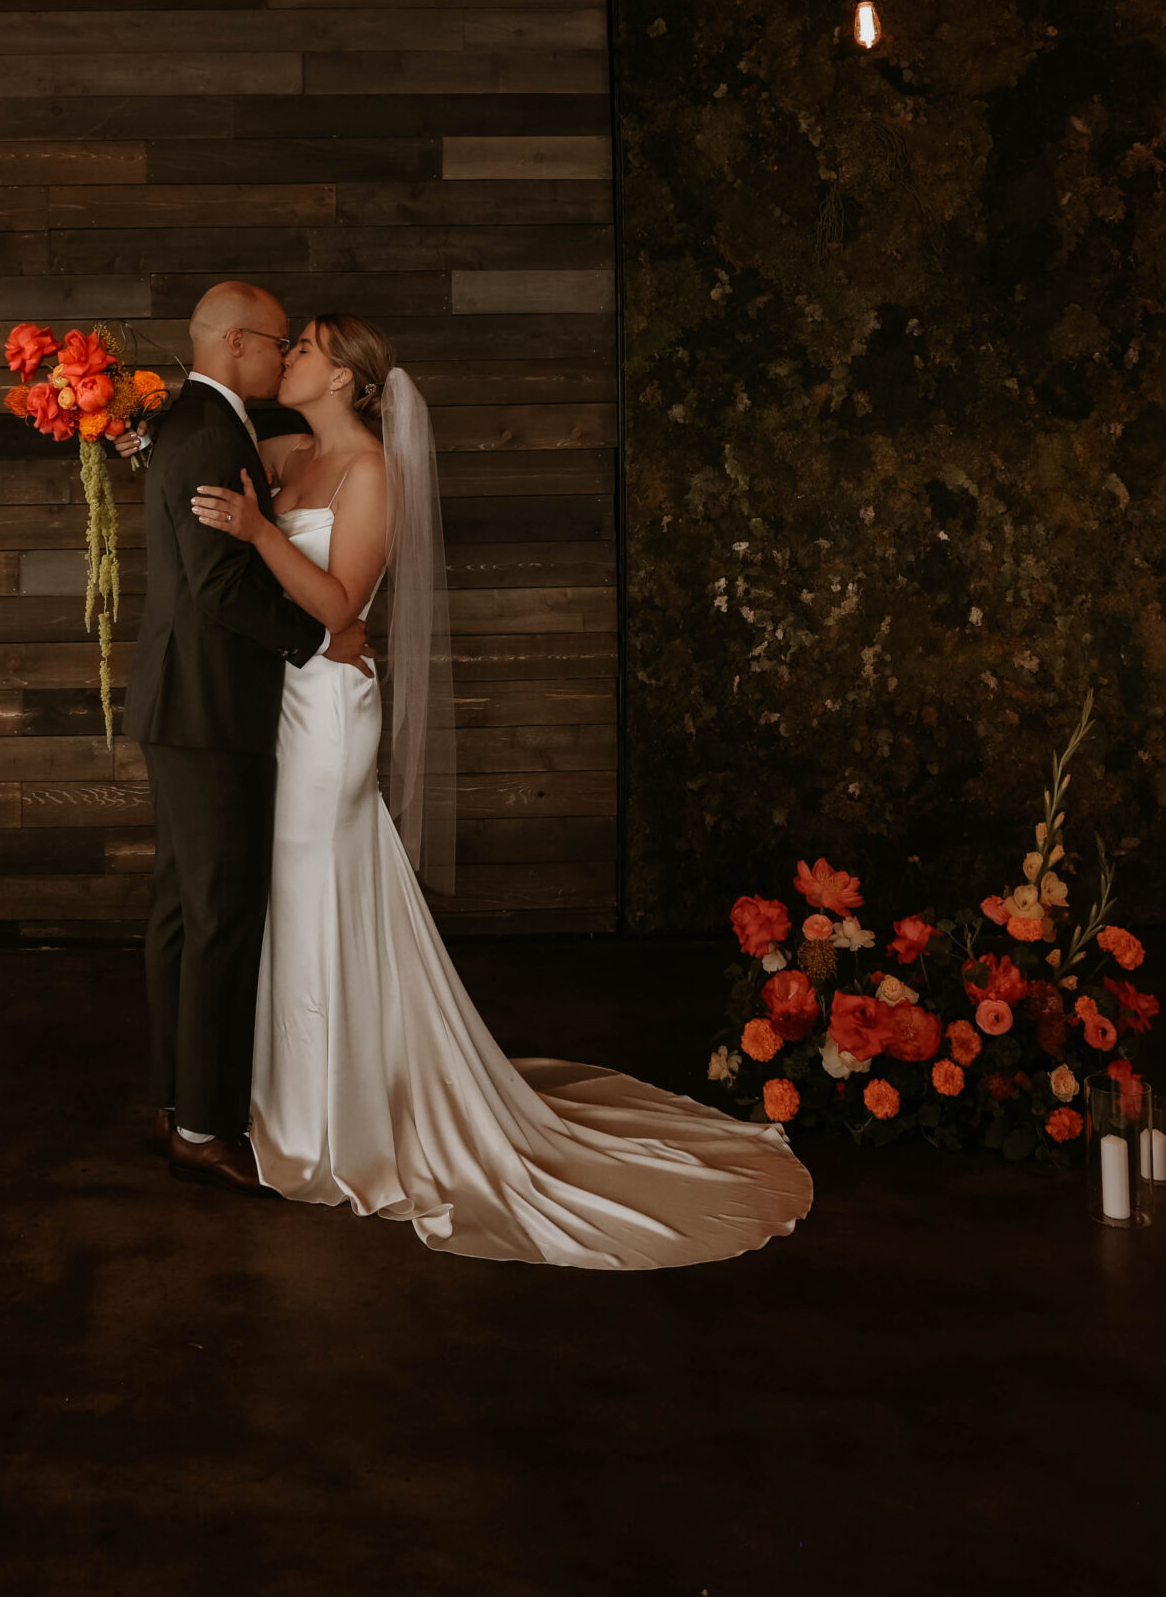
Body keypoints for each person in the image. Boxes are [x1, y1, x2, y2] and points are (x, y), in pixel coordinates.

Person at [187, 311, 815, 1269]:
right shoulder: (283, 452)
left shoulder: (370, 474)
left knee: (317, 889)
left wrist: (262, 533)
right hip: (278, 701)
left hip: (330, 714)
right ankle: (287, 1095)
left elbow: (337, 606)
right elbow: (204, 430)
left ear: (347, 380)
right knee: (289, 894)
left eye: (306, 348)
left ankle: (329, 1127)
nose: (291, 357)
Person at [124, 281, 373, 1195]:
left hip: (187, 703)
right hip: (208, 707)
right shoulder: (205, 429)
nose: (281, 358)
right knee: (219, 912)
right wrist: (321, 639)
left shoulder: (196, 423)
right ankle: (202, 1124)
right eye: (277, 342)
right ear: (235, 344)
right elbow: (216, 590)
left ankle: (174, 1093)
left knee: (184, 911)